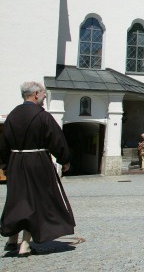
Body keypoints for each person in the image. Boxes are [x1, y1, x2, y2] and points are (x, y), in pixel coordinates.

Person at [0, 81, 75, 256]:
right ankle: (25, 244)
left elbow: (3, 143)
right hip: (37, 162)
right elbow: (56, 140)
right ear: (35, 95)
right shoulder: (43, 116)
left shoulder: (12, 115)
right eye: (43, 94)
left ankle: (12, 240)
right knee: (35, 201)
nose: (44, 96)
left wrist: (5, 164)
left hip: (16, 162)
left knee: (16, 200)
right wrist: (65, 160)